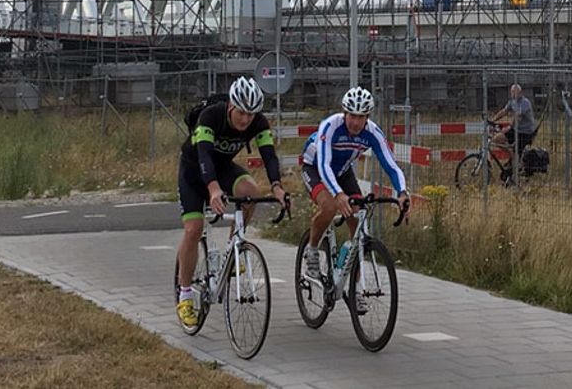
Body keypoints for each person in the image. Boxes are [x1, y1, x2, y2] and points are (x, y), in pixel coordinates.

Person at [175, 77, 286, 330]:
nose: (245, 119)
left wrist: (277, 186)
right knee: (193, 229)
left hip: (223, 167)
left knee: (250, 192)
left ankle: (232, 249)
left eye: (251, 114)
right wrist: (213, 189)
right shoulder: (211, 116)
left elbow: (269, 155)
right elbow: (204, 154)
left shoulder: (258, 122)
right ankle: (185, 294)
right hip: (193, 172)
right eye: (242, 112)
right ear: (231, 106)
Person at [298, 86, 410, 305]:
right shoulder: (331, 126)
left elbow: (391, 165)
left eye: (360, 117)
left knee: (357, 223)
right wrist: (338, 194)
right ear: (344, 113)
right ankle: (312, 251)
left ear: (367, 117)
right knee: (330, 207)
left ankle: (355, 288)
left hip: (342, 172)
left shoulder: (373, 132)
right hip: (315, 168)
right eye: (351, 116)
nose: (355, 122)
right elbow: (323, 163)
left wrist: (402, 192)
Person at [490, 83, 536, 158]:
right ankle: (512, 156)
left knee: (517, 150)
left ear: (520, 93)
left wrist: (510, 127)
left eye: (516, 92)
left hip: (525, 132)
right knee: (496, 140)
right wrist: (493, 120)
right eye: (512, 92)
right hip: (516, 130)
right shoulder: (512, 101)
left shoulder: (525, 103)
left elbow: (518, 116)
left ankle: (515, 160)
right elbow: (504, 111)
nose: (514, 94)